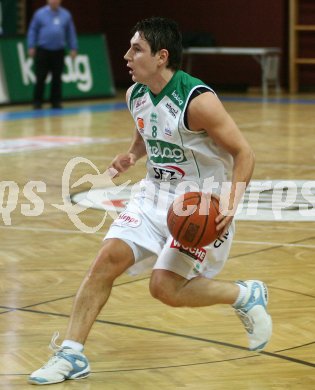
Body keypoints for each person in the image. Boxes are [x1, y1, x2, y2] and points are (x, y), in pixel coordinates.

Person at [28, 17, 272, 385]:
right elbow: (146, 132)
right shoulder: (135, 94)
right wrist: (131, 155)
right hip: (153, 194)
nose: (127, 55)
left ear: (162, 56)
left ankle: (244, 294)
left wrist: (232, 202)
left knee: (165, 289)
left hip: (199, 202)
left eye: (136, 49)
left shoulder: (198, 100)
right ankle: (71, 355)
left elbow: (244, 152)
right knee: (105, 261)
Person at [27, 0, 78, 110]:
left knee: (57, 77)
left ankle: (56, 101)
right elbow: (33, 30)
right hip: (43, 50)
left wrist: (73, 47)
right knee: (40, 77)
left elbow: (71, 32)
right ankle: (37, 102)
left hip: (58, 51)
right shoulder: (39, 14)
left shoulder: (66, 14)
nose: (54, 1)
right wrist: (31, 45)